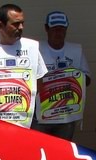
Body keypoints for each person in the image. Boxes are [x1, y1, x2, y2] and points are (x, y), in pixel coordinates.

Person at [33, 11, 91, 139]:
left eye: (61, 29)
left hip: (66, 116)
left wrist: (72, 77)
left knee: (62, 154)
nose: (58, 33)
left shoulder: (76, 50)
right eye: (54, 29)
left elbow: (87, 79)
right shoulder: (35, 49)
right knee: (40, 152)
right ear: (46, 29)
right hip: (41, 116)